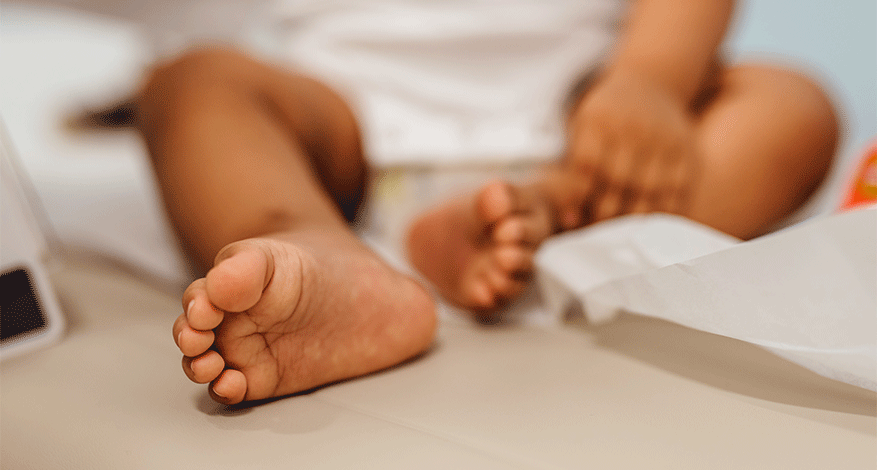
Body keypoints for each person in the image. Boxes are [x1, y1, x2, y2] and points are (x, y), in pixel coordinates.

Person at [137, 0, 838, 405]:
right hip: (351, 121)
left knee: (789, 108)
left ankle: (541, 217)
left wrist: (650, 80)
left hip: (586, 131)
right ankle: (310, 241)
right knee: (194, 84)